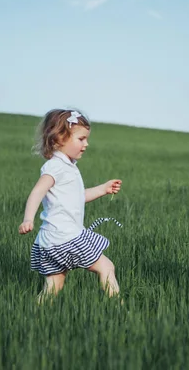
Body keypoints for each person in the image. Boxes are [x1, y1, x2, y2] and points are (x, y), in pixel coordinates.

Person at [19, 109, 122, 301]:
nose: (86, 144)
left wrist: (103, 189)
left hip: (50, 242)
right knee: (106, 267)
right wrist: (28, 218)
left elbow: (75, 197)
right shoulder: (56, 167)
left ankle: (35, 312)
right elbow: (37, 192)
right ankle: (119, 307)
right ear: (59, 139)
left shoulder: (66, 166)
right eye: (81, 139)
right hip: (67, 237)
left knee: (55, 285)